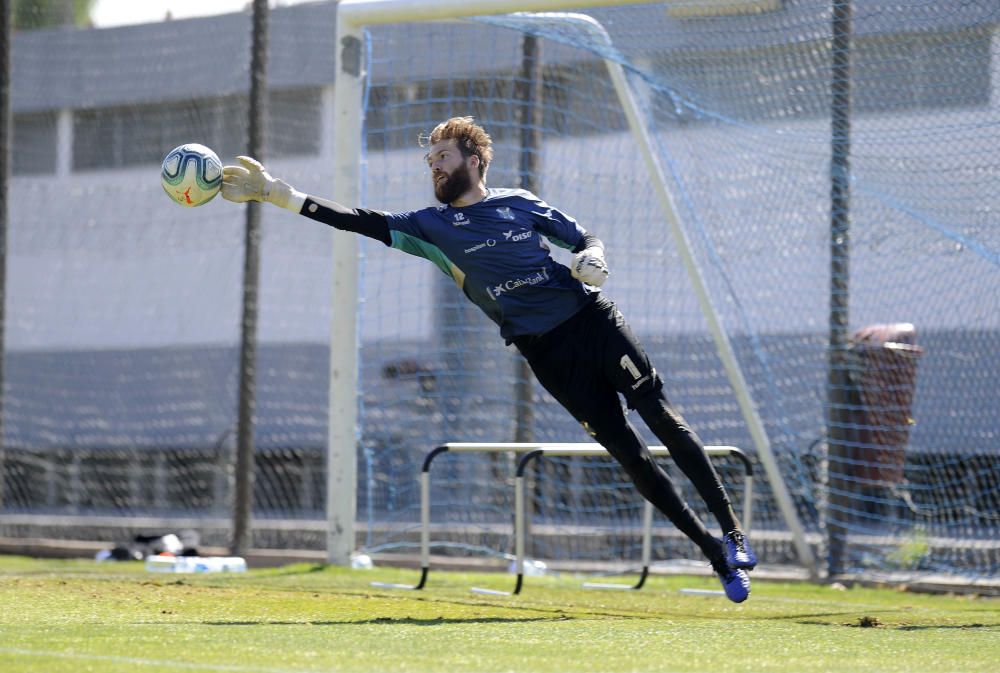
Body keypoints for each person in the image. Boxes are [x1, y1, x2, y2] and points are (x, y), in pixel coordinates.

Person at [220, 116, 757, 602]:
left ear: (473, 161)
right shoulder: (429, 227)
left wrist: (592, 255)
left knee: (661, 414)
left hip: (594, 324)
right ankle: (714, 557)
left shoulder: (517, 204)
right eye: (430, 160)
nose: (434, 167)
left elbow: (584, 237)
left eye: (443, 157)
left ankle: (733, 533)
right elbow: (358, 220)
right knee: (629, 454)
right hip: (545, 354)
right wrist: (279, 195)